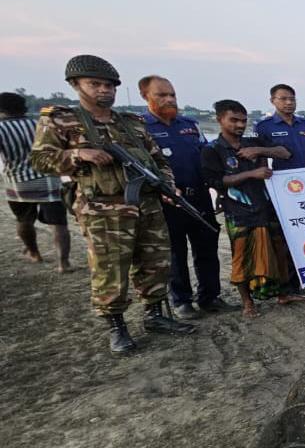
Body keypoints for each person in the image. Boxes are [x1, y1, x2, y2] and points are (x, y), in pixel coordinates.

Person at [31, 54, 196, 354]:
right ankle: (117, 327)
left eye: (109, 85)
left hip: (146, 204)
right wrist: (80, 155)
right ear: (75, 85)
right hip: (102, 209)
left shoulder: (131, 123)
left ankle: (156, 315)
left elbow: (157, 159)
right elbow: (40, 160)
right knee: (110, 269)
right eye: (95, 84)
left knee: (156, 262)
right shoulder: (61, 119)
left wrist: (167, 185)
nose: (104, 90)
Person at [201, 99, 305, 318]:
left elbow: (285, 152)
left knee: (279, 251)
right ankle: (247, 302)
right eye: (234, 120)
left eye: (243, 120)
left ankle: (283, 293)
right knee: (243, 258)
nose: (239, 125)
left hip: (266, 206)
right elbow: (215, 181)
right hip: (239, 211)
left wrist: (257, 150)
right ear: (220, 120)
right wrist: (251, 174)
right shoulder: (212, 149)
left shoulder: (253, 141)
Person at [138, 75, 228, 318]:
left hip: (199, 196)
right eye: (162, 95)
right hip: (166, 201)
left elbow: (205, 158)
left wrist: (218, 189)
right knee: (175, 253)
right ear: (145, 97)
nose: (169, 99)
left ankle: (210, 296)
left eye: (172, 95)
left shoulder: (189, 124)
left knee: (207, 248)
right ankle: (182, 300)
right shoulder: (140, 128)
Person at [1, 91, 72, 271]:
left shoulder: (2, 129)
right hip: (50, 180)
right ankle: (63, 263)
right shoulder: (40, 124)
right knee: (59, 223)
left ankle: (34, 253)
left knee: (24, 220)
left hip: (18, 182)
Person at [255, 84, 305, 170]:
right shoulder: (263, 126)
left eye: (292, 99)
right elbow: (261, 157)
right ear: (272, 101)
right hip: (284, 178)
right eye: (283, 99)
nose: (289, 102)